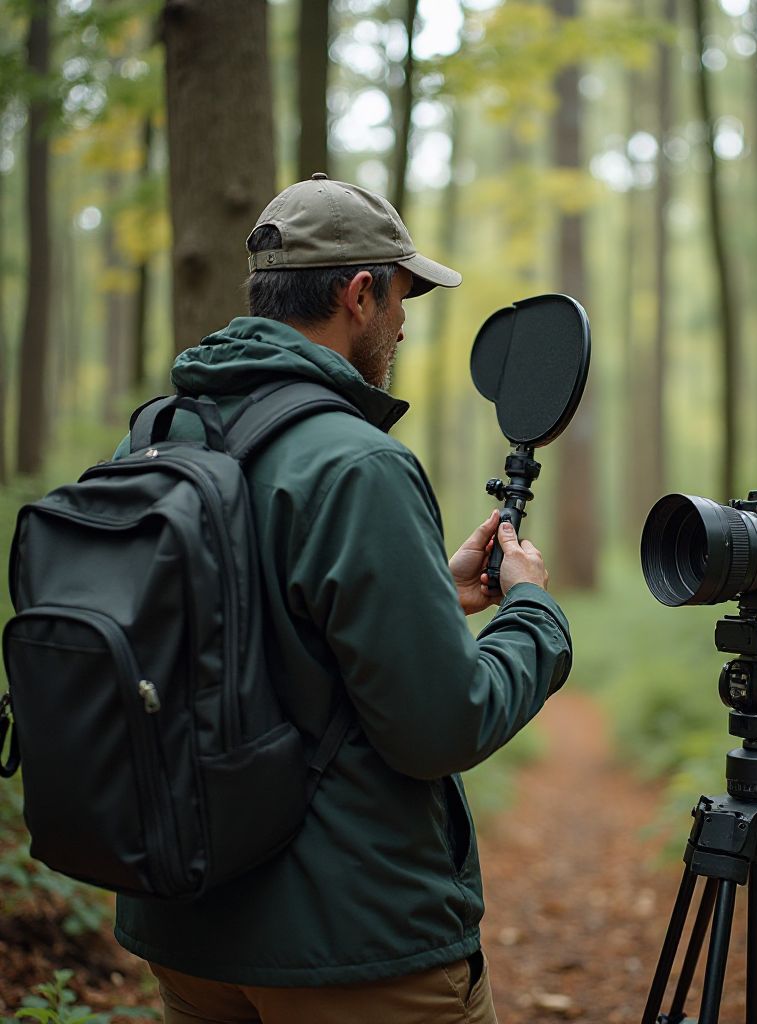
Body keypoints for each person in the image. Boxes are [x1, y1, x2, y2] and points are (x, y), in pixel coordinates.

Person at [112, 175, 573, 1024]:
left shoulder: (154, 435)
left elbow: (251, 639)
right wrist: (532, 614)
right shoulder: (356, 462)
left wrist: (426, 591)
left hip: (182, 931)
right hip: (351, 954)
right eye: (402, 296)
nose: (404, 321)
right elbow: (443, 725)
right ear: (359, 294)